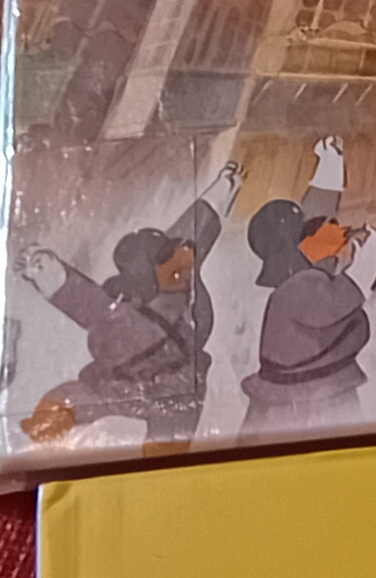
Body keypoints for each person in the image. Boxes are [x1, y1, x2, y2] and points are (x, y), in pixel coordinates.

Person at [19, 163, 230, 447]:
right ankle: (50, 420)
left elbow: (90, 305)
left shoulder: (149, 307)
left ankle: (164, 455)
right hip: (135, 383)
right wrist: (225, 185)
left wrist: (52, 276)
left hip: (169, 385)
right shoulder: (167, 276)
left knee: (167, 431)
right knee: (77, 398)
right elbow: (196, 226)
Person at [239, 137, 376, 430]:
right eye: (321, 226)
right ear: (300, 243)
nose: (336, 225)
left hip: (319, 391)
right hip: (302, 405)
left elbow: (316, 216)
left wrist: (330, 165)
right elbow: (338, 300)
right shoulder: (299, 286)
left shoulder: (301, 264)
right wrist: (369, 262)